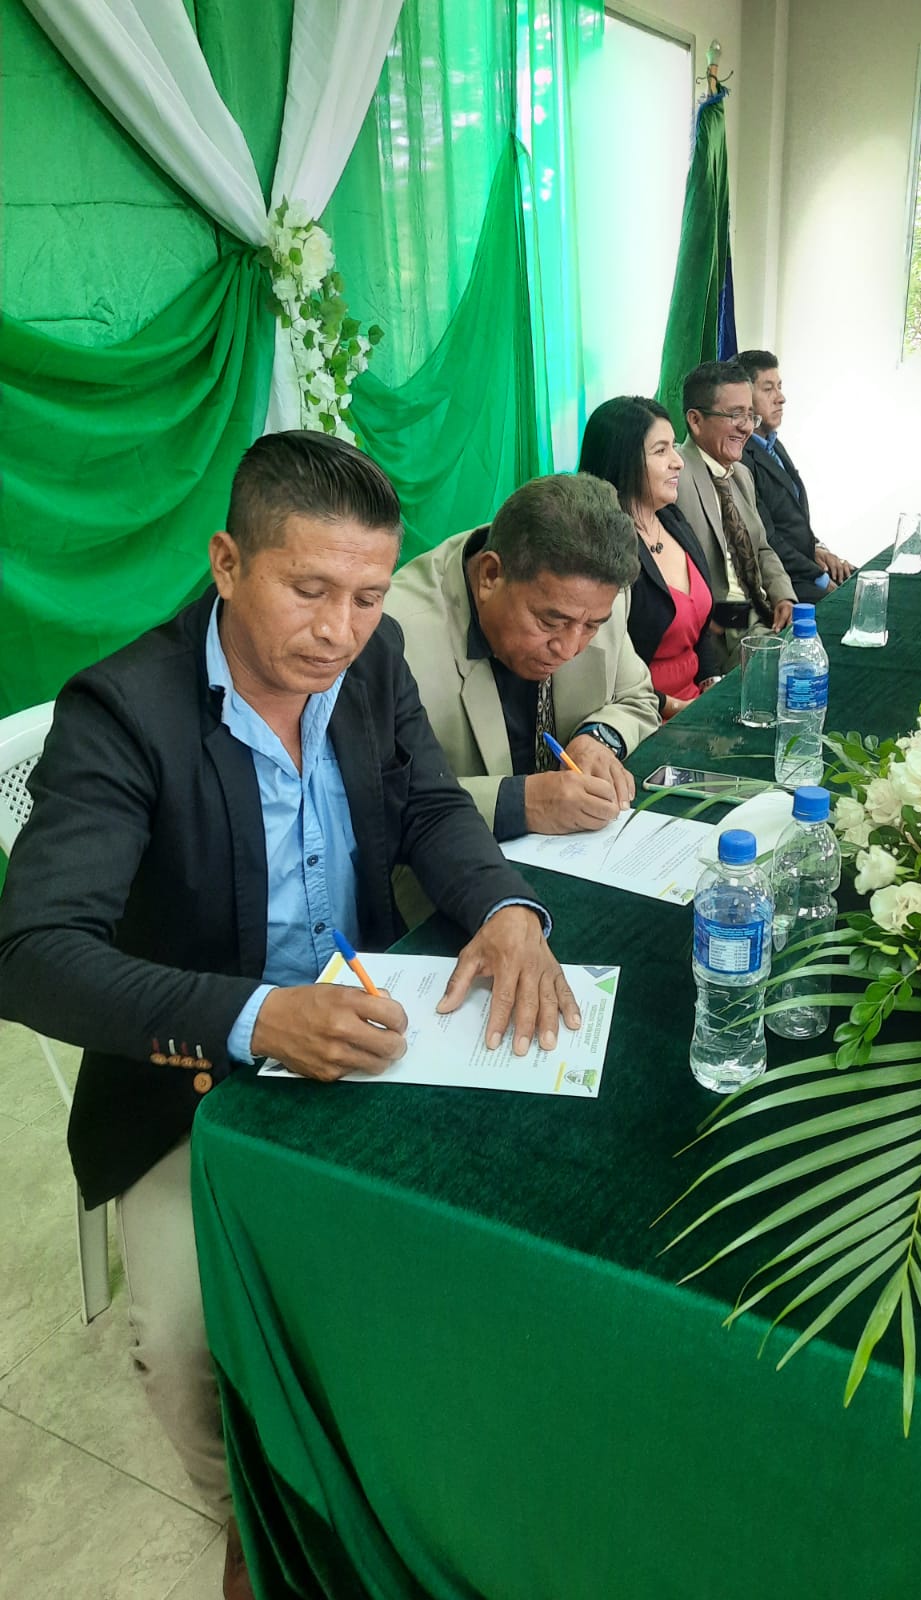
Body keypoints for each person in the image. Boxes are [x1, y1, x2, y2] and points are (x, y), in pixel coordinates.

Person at [0, 431, 577, 1600]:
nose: (340, 629)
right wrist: (258, 1016)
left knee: (505, 1230)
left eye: (367, 595)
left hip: (371, 1027)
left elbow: (430, 808)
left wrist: (508, 908)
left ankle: (419, 1480)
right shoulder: (123, 713)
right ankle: (257, 1515)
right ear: (227, 562)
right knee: (183, 1345)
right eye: (308, 589)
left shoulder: (371, 662)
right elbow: (32, 955)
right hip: (191, 1074)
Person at [384, 473, 659, 920]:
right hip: (445, 894)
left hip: (573, 862)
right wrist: (523, 803)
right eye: (550, 622)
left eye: (590, 627)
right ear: (490, 575)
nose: (569, 648)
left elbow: (638, 697)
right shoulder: (394, 635)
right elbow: (379, 801)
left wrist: (597, 739)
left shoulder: (593, 597)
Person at [578, 396, 722, 719]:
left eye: (674, 447)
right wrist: (679, 708)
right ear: (623, 459)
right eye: (661, 451)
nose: (678, 461)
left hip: (696, 705)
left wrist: (712, 684)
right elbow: (606, 675)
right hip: (639, 717)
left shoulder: (672, 520)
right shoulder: (599, 550)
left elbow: (699, 632)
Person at [673, 360, 796, 673]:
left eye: (750, 415)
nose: (746, 427)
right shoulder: (675, 476)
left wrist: (784, 596)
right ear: (695, 420)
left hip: (762, 614)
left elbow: (762, 548)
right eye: (734, 415)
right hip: (719, 625)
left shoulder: (740, 474)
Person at [738, 348, 855, 589]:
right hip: (781, 580)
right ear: (744, 399)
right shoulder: (740, 457)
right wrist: (819, 577)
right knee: (854, 601)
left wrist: (818, 549)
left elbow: (792, 522)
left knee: (870, 581)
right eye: (768, 389)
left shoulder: (773, 443)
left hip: (806, 564)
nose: (781, 398)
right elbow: (766, 538)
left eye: (779, 386)